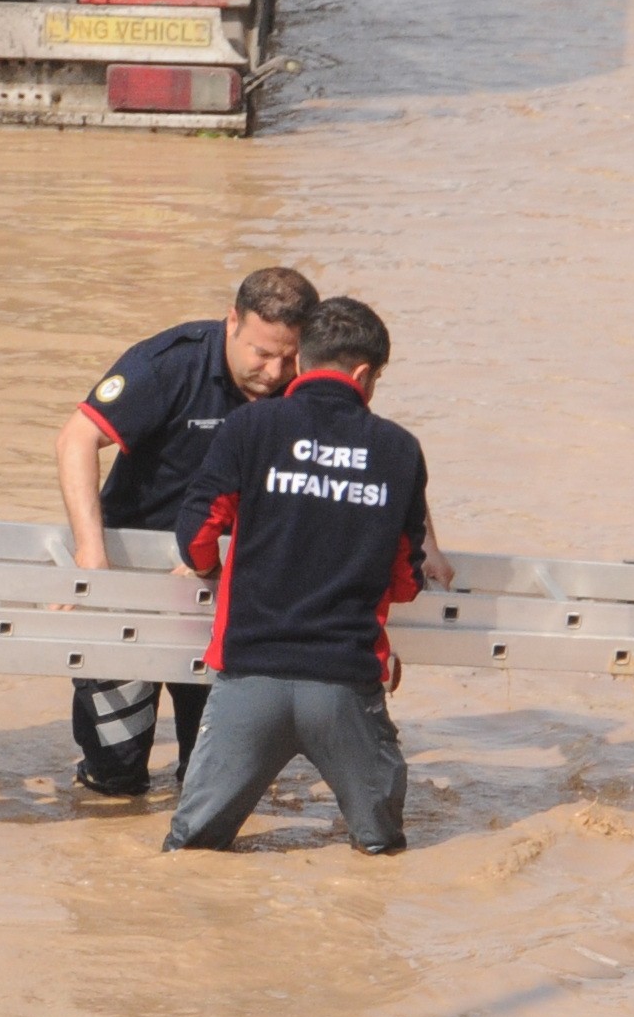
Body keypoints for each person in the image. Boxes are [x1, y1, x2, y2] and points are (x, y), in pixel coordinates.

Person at [163, 297, 445, 859]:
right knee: (382, 849)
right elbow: (408, 576)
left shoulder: (251, 425)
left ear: (303, 361)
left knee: (192, 851)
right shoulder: (398, 449)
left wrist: (211, 570)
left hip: (249, 678)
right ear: (364, 374)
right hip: (343, 685)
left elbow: (196, 531)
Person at [52, 265, 316, 800]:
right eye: (263, 353)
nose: (275, 371)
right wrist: (91, 558)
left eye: (290, 356)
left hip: (229, 588)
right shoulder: (168, 364)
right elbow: (76, 440)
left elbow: (370, 454)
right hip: (136, 577)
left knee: (212, 779)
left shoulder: (306, 385)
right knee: (115, 777)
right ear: (232, 321)